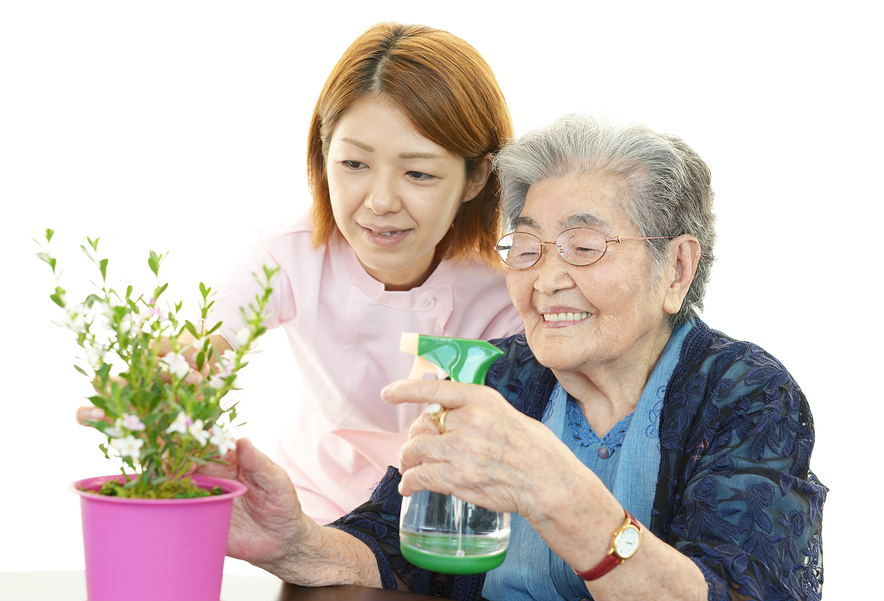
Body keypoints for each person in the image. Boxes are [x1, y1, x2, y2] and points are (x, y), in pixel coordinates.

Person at [202, 113, 826, 601]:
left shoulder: (746, 394)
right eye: (525, 247)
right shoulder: (494, 375)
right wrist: (293, 545)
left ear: (677, 268)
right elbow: (394, 550)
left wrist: (559, 493)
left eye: (583, 246)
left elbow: (742, 591)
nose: (546, 278)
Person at [75, 23, 523, 523]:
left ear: (476, 177)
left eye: (418, 173)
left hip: (444, 528)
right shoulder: (289, 253)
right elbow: (200, 350)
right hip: (314, 512)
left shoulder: (512, 288)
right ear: (324, 153)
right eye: (354, 163)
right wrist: (157, 388)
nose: (379, 202)